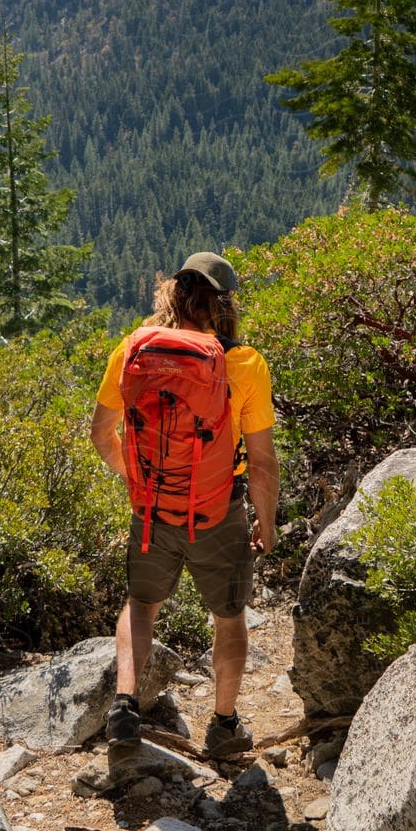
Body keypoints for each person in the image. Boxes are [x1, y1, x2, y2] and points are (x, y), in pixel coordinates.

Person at [88, 251, 279, 760]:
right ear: (224, 306)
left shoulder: (132, 349)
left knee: (141, 606)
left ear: (172, 294)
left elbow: (101, 435)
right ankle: (223, 724)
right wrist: (268, 523)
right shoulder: (244, 363)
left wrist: (140, 483)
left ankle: (125, 708)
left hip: (152, 511)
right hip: (219, 511)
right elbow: (261, 462)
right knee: (229, 616)